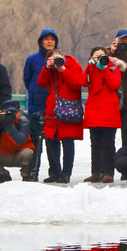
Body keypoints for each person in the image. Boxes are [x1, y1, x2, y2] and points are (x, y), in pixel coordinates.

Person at [37, 49, 84, 183]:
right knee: (51, 141)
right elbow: (41, 83)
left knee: (68, 141)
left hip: (69, 108)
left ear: (63, 57)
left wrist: (63, 69)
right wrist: (47, 68)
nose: (56, 61)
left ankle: (66, 173)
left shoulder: (74, 66)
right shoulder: (50, 70)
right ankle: (55, 172)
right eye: (52, 59)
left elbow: (76, 84)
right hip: (52, 108)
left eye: (57, 58)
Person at [82, 46, 124, 183]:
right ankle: (95, 172)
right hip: (94, 110)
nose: (99, 58)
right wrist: (90, 66)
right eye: (96, 56)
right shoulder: (91, 69)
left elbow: (114, 85)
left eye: (102, 56)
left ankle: (108, 173)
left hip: (109, 111)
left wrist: (104, 67)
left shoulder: (113, 68)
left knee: (108, 144)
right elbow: (82, 82)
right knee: (95, 144)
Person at [23, 28, 58, 182]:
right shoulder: (32, 59)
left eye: (52, 39)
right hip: (36, 105)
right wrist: (34, 91)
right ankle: (32, 171)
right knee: (35, 141)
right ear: (41, 41)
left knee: (53, 140)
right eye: (46, 39)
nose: (49, 41)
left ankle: (55, 172)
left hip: (54, 105)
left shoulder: (60, 59)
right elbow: (27, 79)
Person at [0, 99, 34, 184]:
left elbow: (20, 140)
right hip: (4, 154)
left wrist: (9, 125)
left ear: (18, 111)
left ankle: (26, 175)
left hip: (20, 155)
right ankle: (2, 175)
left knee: (28, 153)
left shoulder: (23, 120)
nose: (10, 115)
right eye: (8, 112)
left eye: (13, 112)